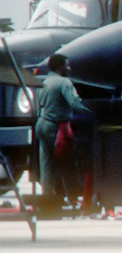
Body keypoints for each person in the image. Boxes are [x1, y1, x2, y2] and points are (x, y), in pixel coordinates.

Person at [35, 54, 86, 203]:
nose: (68, 68)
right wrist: (92, 112)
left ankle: (48, 198)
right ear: (59, 66)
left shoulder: (44, 82)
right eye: (66, 65)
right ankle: (72, 197)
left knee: (47, 164)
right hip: (57, 127)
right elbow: (75, 103)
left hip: (42, 123)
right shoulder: (64, 82)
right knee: (68, 163)